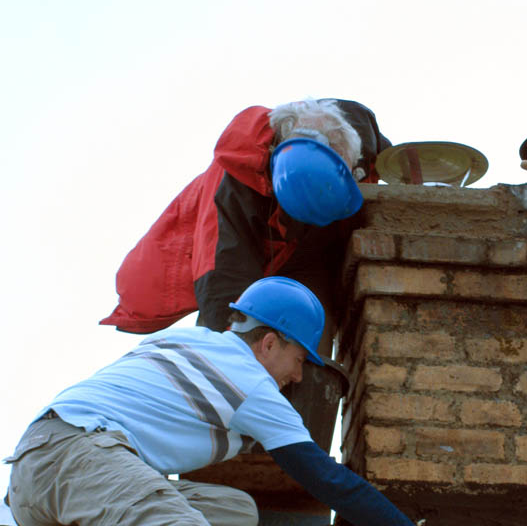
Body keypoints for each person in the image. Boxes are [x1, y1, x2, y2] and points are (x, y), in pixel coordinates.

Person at [6, 277, 483, 526]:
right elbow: (332, 482)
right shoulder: (250, 384)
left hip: (42, 484)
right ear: (269, 343)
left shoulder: (183, 343)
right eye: (298, 358)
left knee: (236, 510)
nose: (297, 376)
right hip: (80, 453)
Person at [100, 98, 391, 353]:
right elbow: (223, 284)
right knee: (236, 334)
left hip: (304, 248)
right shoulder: (231, 186)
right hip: (242, 260)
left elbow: (400, 165)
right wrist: (235, 365)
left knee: (309, 336)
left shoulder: (361, 136)